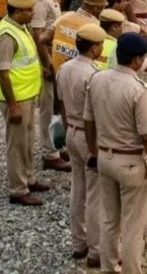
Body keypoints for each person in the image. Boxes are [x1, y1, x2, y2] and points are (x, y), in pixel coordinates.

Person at [84, 32, 147, 274]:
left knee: (109, 219)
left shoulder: (97, 80)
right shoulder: (138, 90)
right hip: (130, 163)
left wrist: (94, 151)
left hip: (104, 157)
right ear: (136, 60)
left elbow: (88, 121)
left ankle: (108, 268)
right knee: (133, 225)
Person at [0, 0, 49, 206]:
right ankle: (18, 189)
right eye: (28, 10)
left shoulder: (19, 27)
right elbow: (3, 73)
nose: (33, 13)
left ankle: (29, 178)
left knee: (27, 140)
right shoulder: (7, 36)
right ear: (16, 12)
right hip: (15, 99)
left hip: (26, 95)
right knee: (16, 144)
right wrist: (13, 105)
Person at [56, 23, 107, 267]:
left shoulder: (64, 69)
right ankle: (95, 251)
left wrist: (68, 132)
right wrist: (96, 148)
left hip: (71, 133)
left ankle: (78, 243)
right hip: (89, 138)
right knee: (95, 195)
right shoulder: (93, 75)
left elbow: (62, 106)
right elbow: (95, 115)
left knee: (77, 189)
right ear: (95, 47)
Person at [30, 0, 71, 173]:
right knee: (47, 108)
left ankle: (58, 144)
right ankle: (49, 153)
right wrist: (46, 64)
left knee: (57, 105)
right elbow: (37, 36)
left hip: (55, 59)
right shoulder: (38, 1)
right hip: (47, 61)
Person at [51, 0, 107, 70]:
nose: (104, 9)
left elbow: (44, 39)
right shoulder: (95, 26)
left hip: (57, 71)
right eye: (103, 7)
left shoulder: (64, 17)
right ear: (96, 8)